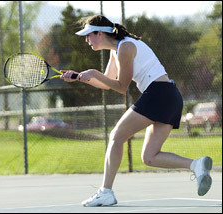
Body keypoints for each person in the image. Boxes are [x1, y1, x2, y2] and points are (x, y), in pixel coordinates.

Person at [60, 15, 213, 207]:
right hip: (169, 96)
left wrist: (93, 73)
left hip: (159, 94)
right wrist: (80, 77)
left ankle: (106, 192)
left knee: (116, 136)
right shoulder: (117, 50)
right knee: (149, 157)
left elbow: (122, 86)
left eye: (89, 35)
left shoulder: (125, 47)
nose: (86, 40)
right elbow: (108, 82)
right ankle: (196, 165)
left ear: (100, 33)